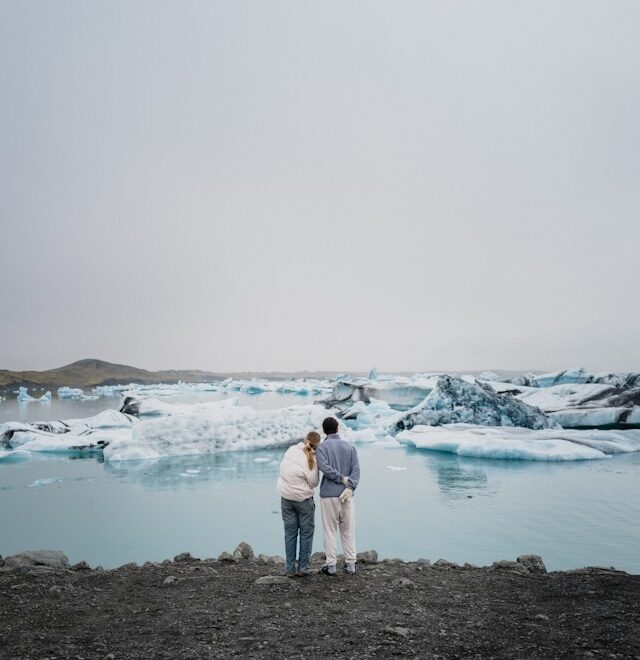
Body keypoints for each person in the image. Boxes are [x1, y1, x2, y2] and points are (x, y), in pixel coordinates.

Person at [315, 417, 360, 575]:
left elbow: (324, 468)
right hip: (347, 495)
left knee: (330, 530)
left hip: (328, 495)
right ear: (338, 428)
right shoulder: (350, 447)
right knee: (348, 530)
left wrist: (338, 477)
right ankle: (350, 564)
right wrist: (349, 486)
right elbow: (356, 471)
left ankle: (331, 565)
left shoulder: (321, 448)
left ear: (324, 430)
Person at [277, 431, 321, 577]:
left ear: (305, 440)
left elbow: (283, 468)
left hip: (286, 499)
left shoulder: (290, 450)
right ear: (317, 445)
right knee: (306, 533)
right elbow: (314, 482)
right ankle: (303, 568)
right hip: (303, 501)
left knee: (290, 533)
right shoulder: (311, 460)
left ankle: (289, 568)